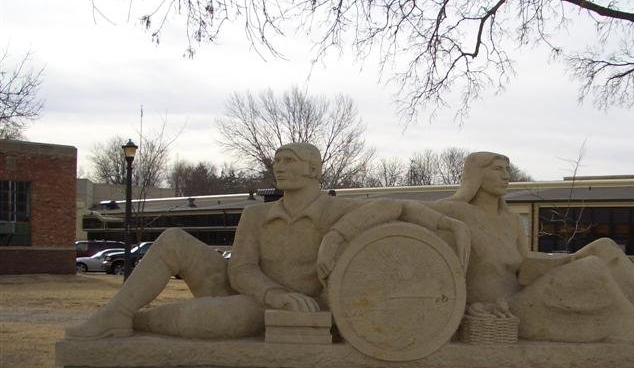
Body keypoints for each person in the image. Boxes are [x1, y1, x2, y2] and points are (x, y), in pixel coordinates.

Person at [66, 142, 468, 340]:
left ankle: (137, 322)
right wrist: (272, 293)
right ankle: (118, 314)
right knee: (172, 238)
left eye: (290, 160)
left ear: (314, 169)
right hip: (257, 291)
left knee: (220, 318)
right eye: (278, 162)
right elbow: (240, 269)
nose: (280, 167)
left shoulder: (334, 211)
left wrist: (446, 224)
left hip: (290, 307)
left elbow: (395, 207)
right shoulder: (257, 214)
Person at [433, 151, 634, 343]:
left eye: (508, 169)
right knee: (592, 268)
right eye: (498, 169)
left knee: (604, 247)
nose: (506, 175)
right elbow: (404, 210)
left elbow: (524, 266)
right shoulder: (454, 211)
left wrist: (553, 263)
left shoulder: (511, 221)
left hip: (525, 292)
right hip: (502, 309)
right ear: (476, 175)